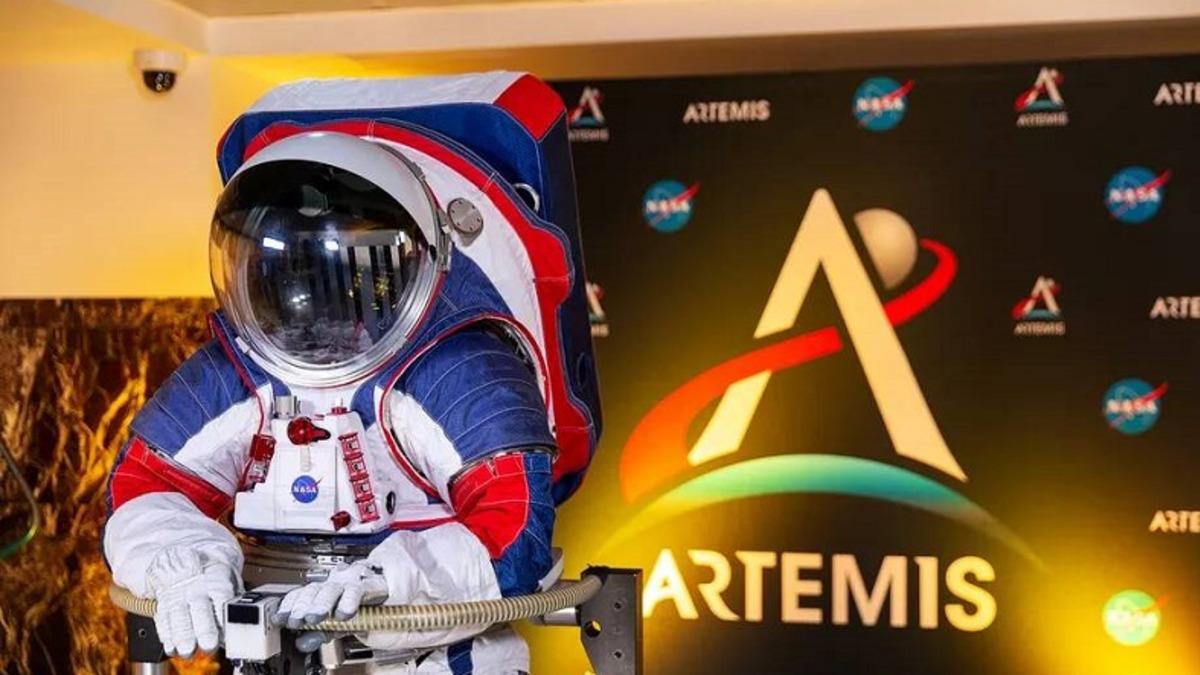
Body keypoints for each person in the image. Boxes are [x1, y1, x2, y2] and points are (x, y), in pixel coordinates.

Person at [102, 73, 601, 674]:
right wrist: (183, 563)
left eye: (336, 271)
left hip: (432, 655)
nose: (311, 301)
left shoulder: (458, 368)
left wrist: (387, 581)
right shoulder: (236, 372)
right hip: (274, 645)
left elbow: (515, 529)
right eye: (289, 268)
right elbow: (145, 486)